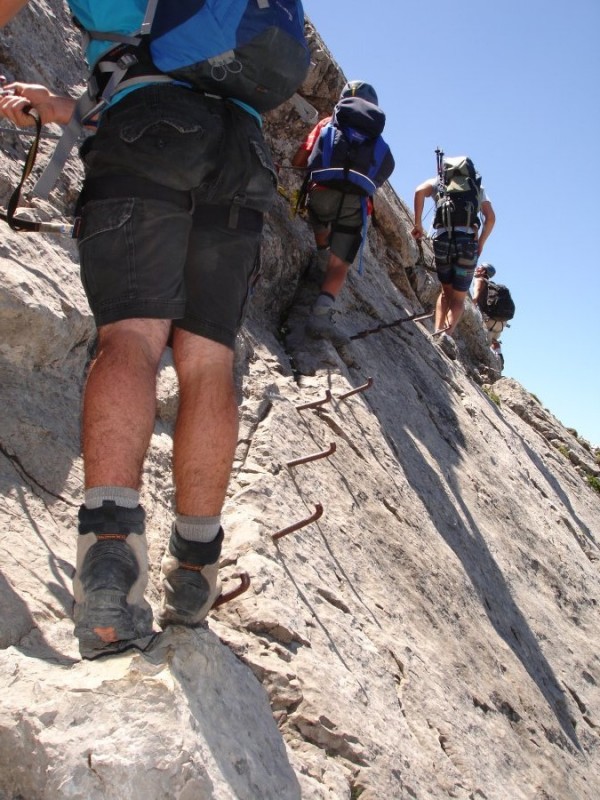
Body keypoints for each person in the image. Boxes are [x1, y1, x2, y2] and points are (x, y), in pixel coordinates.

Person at [0, 1, 305, 657]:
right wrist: (58, 106)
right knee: (208, 362)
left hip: (149, 133)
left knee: (132, 339)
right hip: (242, 151)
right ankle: (194, 571)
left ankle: (111, 565)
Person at [291, 80, 394, 345]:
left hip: (321, 191)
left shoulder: (327, 124)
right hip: (355, 202)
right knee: (341, 264)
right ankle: (321, 315)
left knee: (320, 217)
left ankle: (321, 255)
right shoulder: (375, 139)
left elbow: (300, 159)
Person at [411, 155, 495, 357]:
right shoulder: (476, 189)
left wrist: (418, 224)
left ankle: (436, 330)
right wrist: (480, 243)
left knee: (445, 290)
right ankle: (445, 335)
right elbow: (491, 218)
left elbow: (418, 191)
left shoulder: (440, 183)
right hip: (467, 243)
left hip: (442, 240)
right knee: (459, 296)